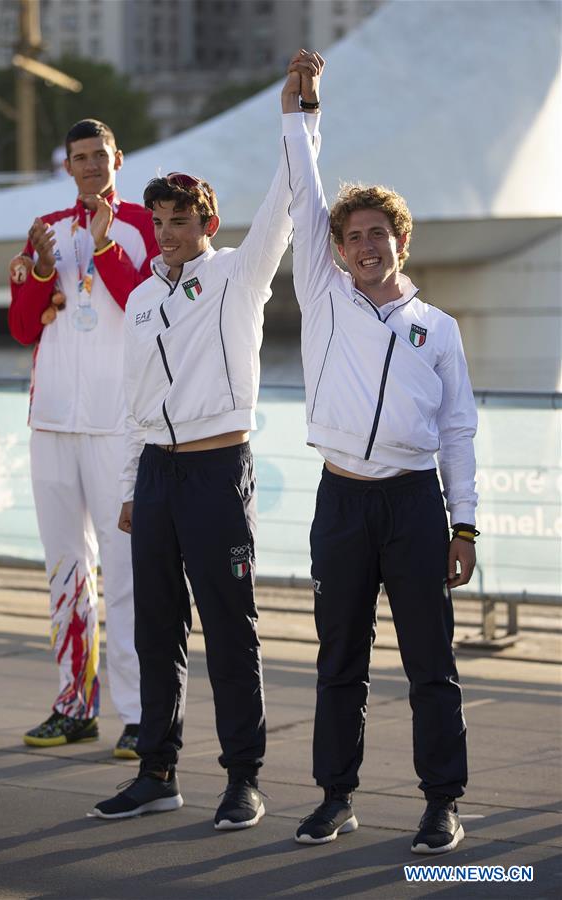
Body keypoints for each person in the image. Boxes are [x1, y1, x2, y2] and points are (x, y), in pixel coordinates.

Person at [91, 70, 322, 828]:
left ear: (207, 219)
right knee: (156, 626)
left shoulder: (237, 274)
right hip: (155, 473)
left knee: (230, 627)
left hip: (220, 471)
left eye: (183, 218)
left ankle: (243, 778)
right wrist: (130, 485)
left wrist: (299, 116)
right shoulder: (145, 296)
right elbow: (134, 402)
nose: (169, 230)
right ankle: (157, 769)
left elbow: (288, 199)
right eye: (159, 219)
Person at [282, 52, 478, 853]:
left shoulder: (438, 327)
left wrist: (464, 526)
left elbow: (459, 430)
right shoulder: (323, 297)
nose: (365, 246)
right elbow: (303, 190)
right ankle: (336, 796)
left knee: (429, 663)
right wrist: (303, 114)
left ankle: (441, 801)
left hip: (412, 505)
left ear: (400, 241)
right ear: (336, 248)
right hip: (340, 501)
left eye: (377, 235)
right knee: (339, 662)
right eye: (351, 236)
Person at [9, 118, 159, 758]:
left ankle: (139, 714)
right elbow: (21, 327)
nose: (92, 165)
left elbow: (154, 311)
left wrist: (103, 250)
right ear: (66, 166)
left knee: (126, 575)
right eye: (80, 158)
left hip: (118, 426)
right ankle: (74, 705)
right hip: (52, 424)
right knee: (67, 571)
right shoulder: (46, 227)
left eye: (100, 155)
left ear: (117, 158)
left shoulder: (146, 225)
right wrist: (42, 272)